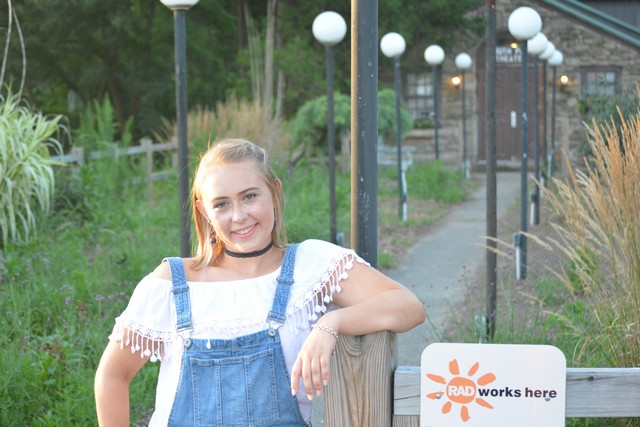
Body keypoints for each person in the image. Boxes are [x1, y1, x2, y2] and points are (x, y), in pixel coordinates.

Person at [94, 138, 425, 426]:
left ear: (274, 191)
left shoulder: (311, 266)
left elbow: (407, 307)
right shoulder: (171, 284)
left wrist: (330, 323)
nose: (239, 216)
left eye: (250, 196)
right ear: (204, 212)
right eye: (221, 204)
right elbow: (113, 375)